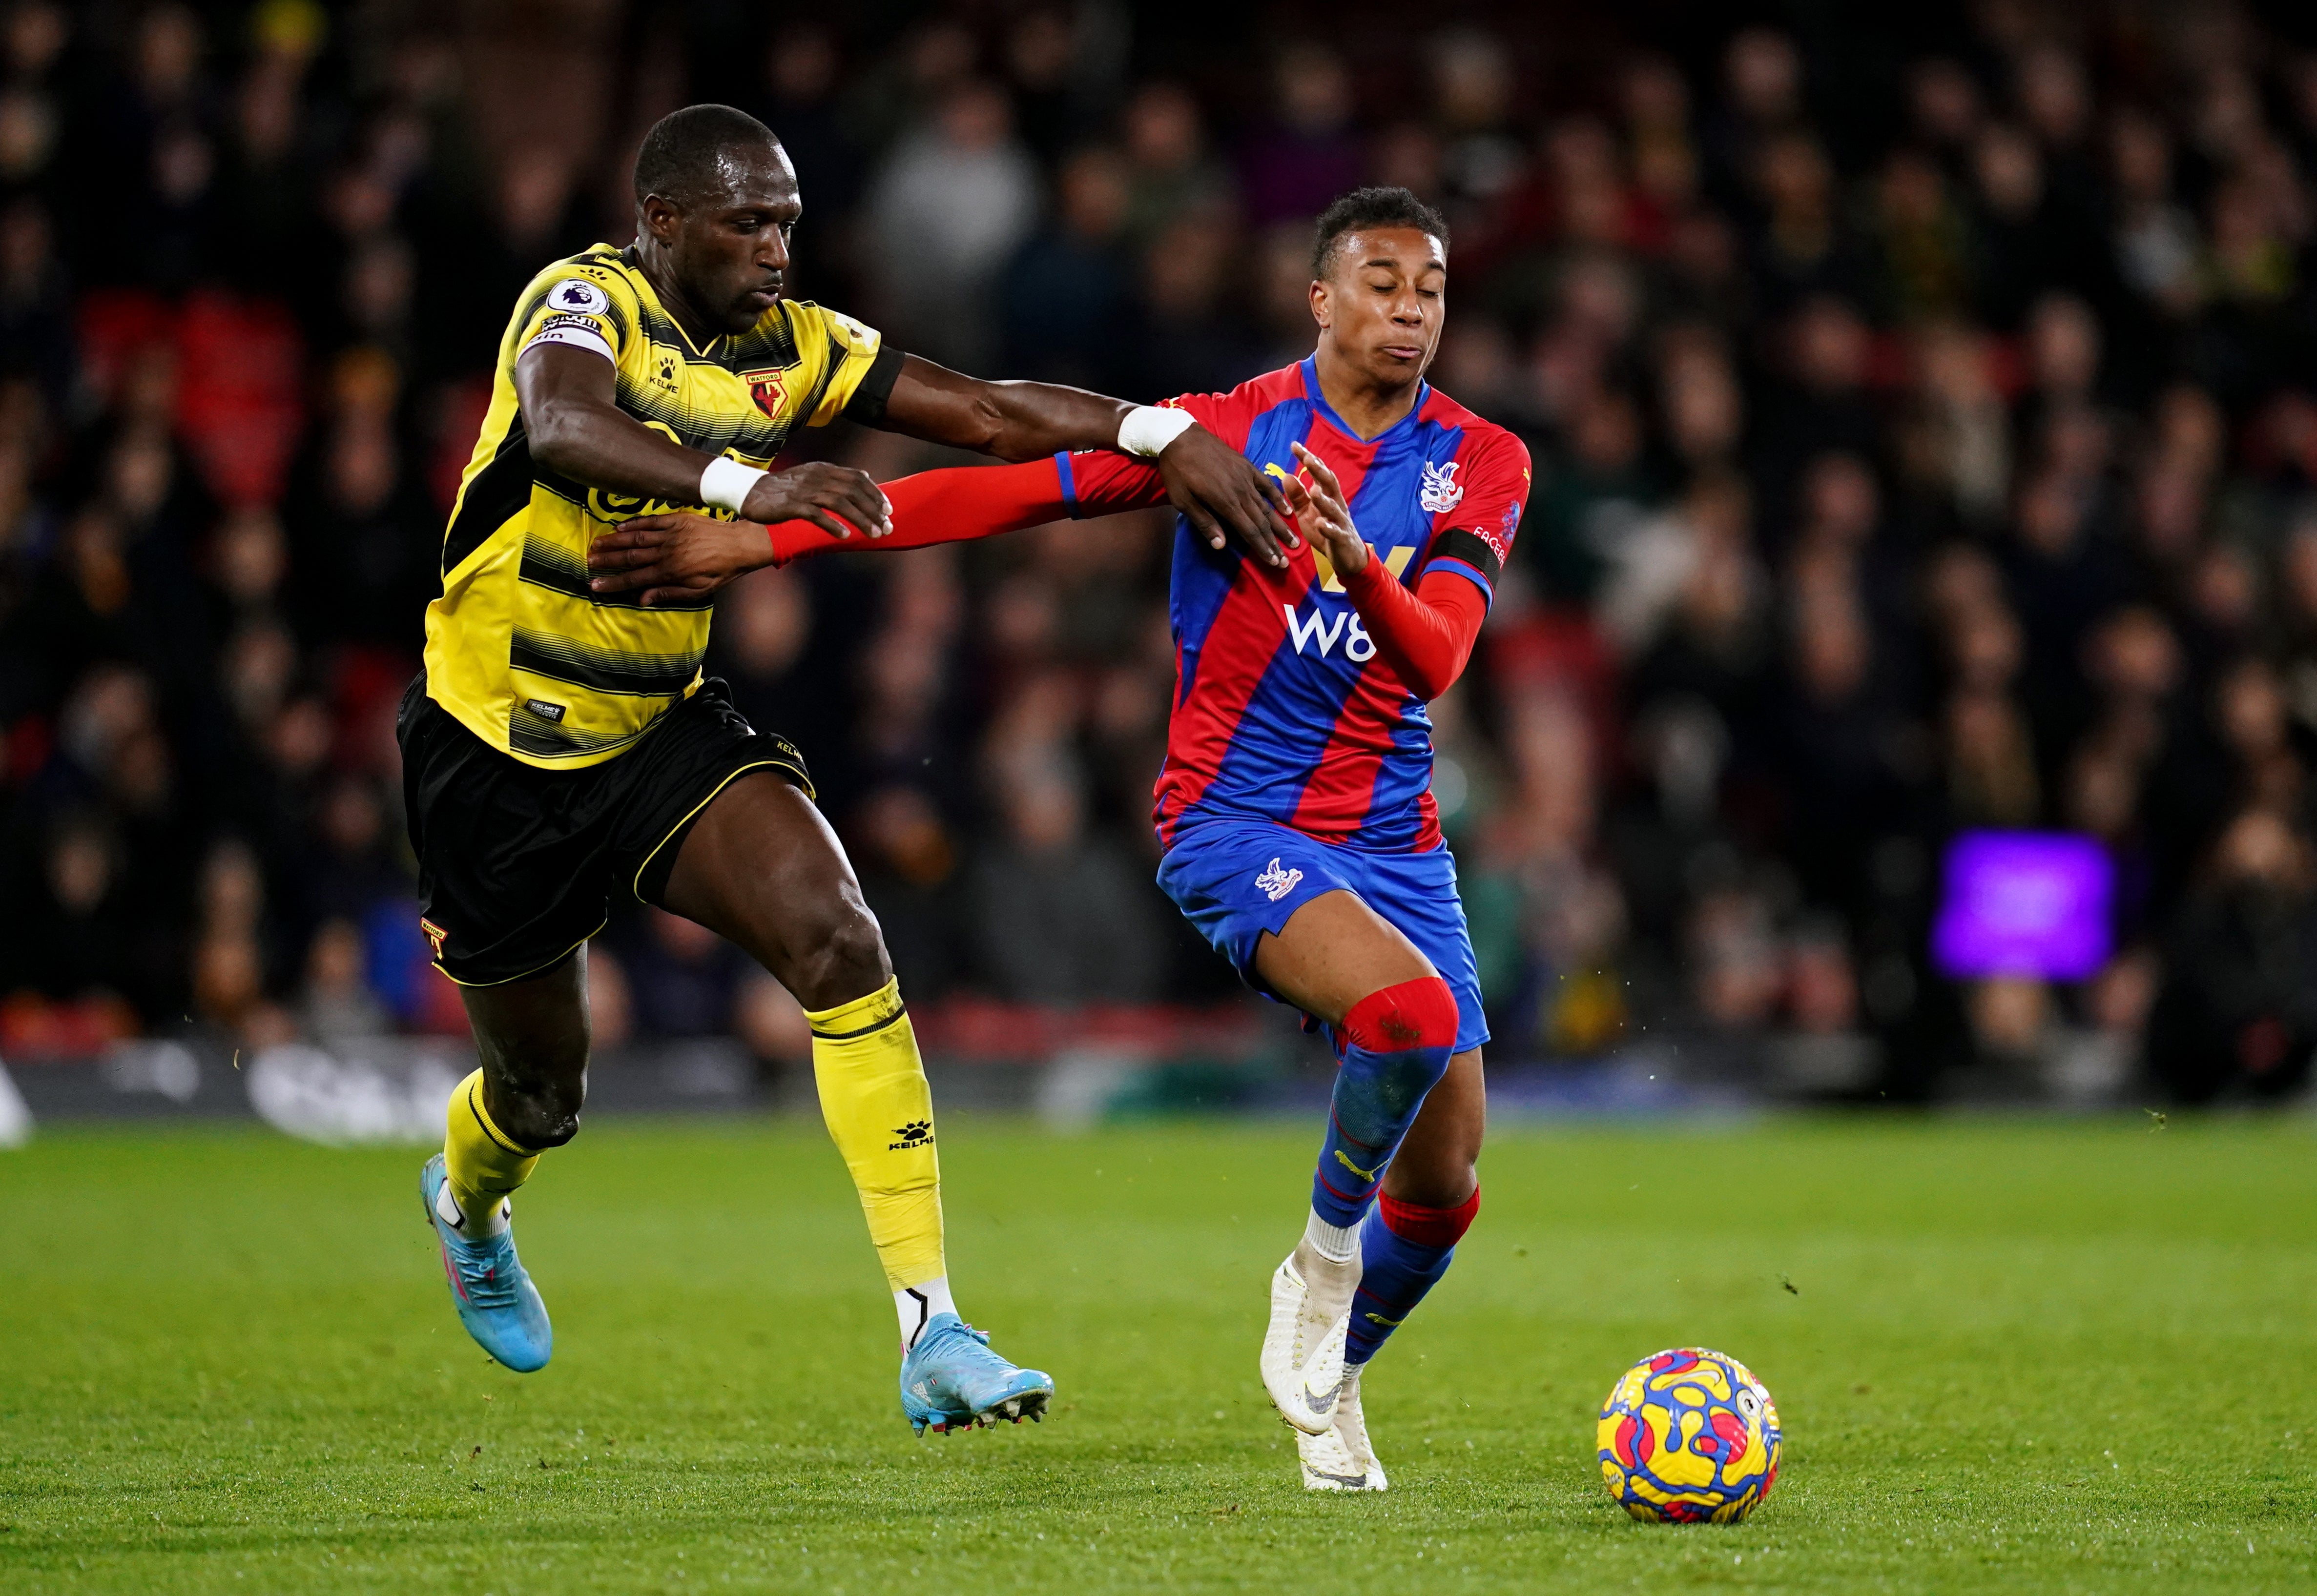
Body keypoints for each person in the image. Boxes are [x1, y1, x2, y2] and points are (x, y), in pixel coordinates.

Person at [597, 186, 1527, 1490]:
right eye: (1382, 282)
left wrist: (1356, 563)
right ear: (1321, 299)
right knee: (1409, 1023)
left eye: (1429, 287)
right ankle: (1314, 1271)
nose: (1411, 308)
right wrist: (761, 541)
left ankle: (1334, 1382)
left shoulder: (1481, 459)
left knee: (1445, 1190)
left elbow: (1433, 658)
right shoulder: (1219, 433)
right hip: (1234, 822)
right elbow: (1001, 497)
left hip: (1396, 841)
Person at [408, 103, 1292, 1435]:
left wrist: (1160, 439)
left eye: (788, 223)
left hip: (658, 730)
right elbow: (564, 430)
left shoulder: (799, 345)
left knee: (839, 939)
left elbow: (988, 414)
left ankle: (934, 1329)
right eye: (747, 222)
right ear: (663, 222)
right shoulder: (582, 301)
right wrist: (746, 490)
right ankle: (469, 1204)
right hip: (496, 760)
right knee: (542, 1092)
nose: (775, 247)